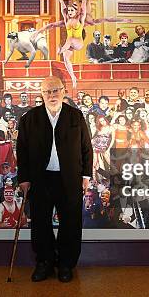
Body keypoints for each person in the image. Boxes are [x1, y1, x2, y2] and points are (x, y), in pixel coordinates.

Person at [17, 76, 92, 282]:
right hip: (39, 179)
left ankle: (66, 264)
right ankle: (45, 262)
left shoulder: (76, 116)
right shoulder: (29, 118)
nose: (52, 95)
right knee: (40, 222)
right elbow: (21, 151)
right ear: (41, 94)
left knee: (70, 222)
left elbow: (87, 148)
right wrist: (23, 178)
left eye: (55, 91)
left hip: (70, 178)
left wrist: (86, 175)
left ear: (63, 91)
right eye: (47, 92)